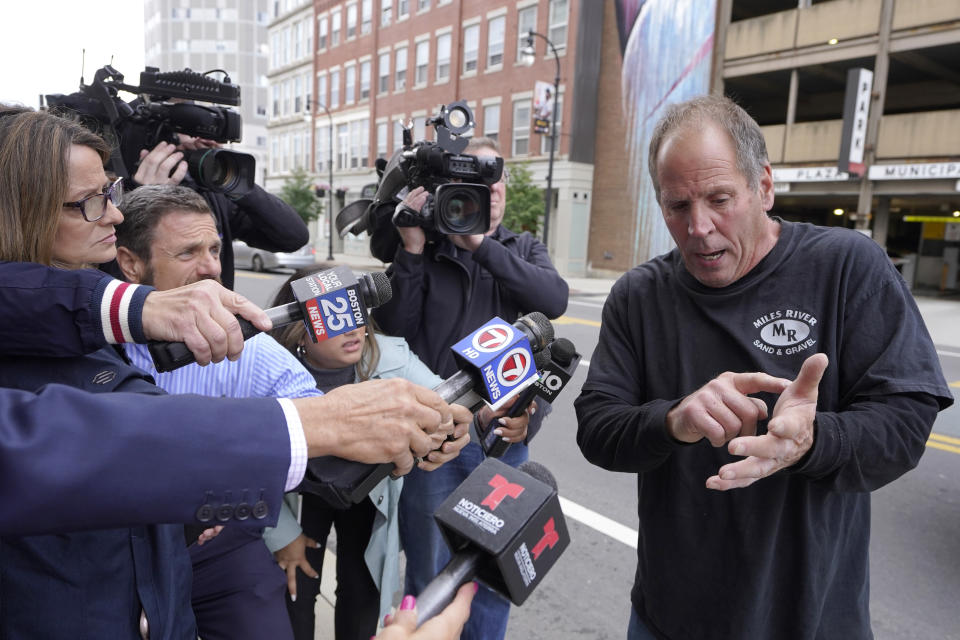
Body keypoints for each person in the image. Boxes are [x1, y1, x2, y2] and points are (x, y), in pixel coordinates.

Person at [0, 107, 459, 639]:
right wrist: (315, 424)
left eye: (113, 191)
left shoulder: (139, 323)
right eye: (89, 203)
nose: (114, 214)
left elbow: (313, 427)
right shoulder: (77, 327)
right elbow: (87, 445)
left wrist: (405, 424)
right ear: (21, 214)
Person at [574, 95, 954, 640]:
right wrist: (674, 420)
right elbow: (597, 430)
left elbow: (905, 423)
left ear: (765, 186)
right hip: (670, 618)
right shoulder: (638, 297)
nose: (698, 226)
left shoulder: (848, 267)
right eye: (676, 206)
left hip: (815, 618)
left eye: (719, 198)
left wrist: (813, 440)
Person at [371, 136, 569, 640]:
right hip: (435, 435)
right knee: (430, 570)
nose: (490, 191)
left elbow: (552, 302)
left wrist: (480, 244)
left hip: (501, 441)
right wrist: (412, 250)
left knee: (495, 574)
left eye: (495, 179)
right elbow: (394, 332)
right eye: (473, 184)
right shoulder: (426, 250)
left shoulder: (521, 249)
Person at [271, 266, 528, 640]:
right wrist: (281, 537)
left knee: (362, 593)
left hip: (365, 494)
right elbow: (248, 463)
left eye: (356, 313)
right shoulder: (268, 370)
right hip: (297, 496)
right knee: (297, 592)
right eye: (334, 316)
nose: (353, 329)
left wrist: (490, 417)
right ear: (299, 326)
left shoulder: (392, 356)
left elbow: (447, 401)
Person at [123, 136, 309, 289]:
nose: (213, 268)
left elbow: (293, 236)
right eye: (187, 252)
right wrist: (141, 199)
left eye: (214, 250)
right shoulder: (117, 198)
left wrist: (231, 177)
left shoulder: (215, 198)